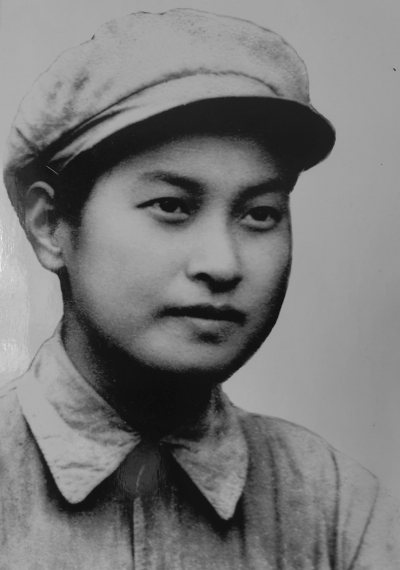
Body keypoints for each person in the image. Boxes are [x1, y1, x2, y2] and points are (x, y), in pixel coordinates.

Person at [1, 8, 399, 569]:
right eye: (171, 206)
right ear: (49, 225)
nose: (223, 264)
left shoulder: (341, 508)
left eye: (260, 214)